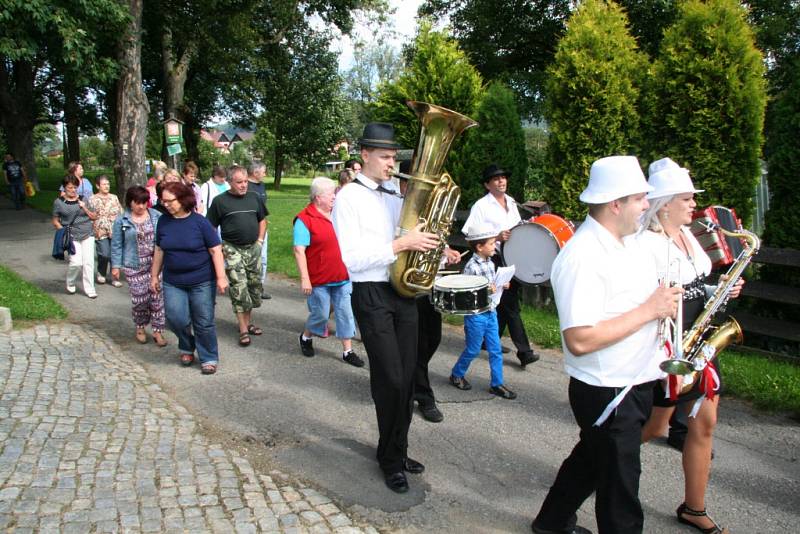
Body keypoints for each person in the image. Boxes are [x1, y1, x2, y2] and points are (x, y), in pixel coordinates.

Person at [531, 156, 682, 534]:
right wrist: (650, 310)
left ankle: (550, 523)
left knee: (591, 459)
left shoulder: (626, 243)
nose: (648, 205)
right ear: (616, 204)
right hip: (609, 389)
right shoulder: (582, 256)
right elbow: (580, 340)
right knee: (620, 494)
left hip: (631, 381)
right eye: (640, 199)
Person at [332, 123, 439, 494]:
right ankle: (389, 459)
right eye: (386, 157)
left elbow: (408, 241)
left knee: (407, 378)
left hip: (403, 292)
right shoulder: (348, 198)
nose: (392, 164)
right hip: (371, 294)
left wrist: (430, 245)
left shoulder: (396, 194)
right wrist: (400, 244)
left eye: (394, 157)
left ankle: (399, 449)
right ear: (364, 155)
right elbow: (352, 260)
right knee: (390, 380)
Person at [639, 158, 743, 534]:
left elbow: (700, 283)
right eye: (685, 198)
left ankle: (694, 507)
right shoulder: (647, 245)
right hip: (666, 349)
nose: (693, 205)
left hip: (698, 346)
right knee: (654, 427)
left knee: (705, 424)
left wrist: (722, 291)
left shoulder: (690, 238)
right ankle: (598, 464)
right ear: (664, 203)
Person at [395, 160, 460, 424]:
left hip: (428, 285)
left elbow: (435, 239)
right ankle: (423, 395)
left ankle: (409, 385)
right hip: (403, 286)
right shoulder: (395, 208)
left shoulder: (427, 210)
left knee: (432, 339)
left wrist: (446, 251)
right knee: (414, 345)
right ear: (403, 183)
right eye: (412, 182)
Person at [462, 163, 539, 367]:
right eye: (496, 179)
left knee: (503, 301)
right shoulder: (481, 206)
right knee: (511, 305)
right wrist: (496, 236)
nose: (501, 181)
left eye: (503, 177)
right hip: (493, 258)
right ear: (487, 185)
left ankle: (488, 340)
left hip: (513, 257)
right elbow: (469, 233)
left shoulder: (512, 202)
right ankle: (525, 352)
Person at [151, 182, 227, 375]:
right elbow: (159, 249)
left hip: (201, 280)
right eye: (163, 200)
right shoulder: (163, 222)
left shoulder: (200, 222)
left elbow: (215, 249)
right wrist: (154, 276)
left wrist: (221, 277)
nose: (165, 204)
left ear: (183, 199)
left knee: (203, 320)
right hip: (173, 281)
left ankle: (208, 356)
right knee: (176, 318)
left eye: (170, 201)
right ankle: (187, 344)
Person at [293, 177, 364, 368]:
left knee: (345, 313)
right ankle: (306, 336)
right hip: (318, 278)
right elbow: (299, 250)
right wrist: (305, 279)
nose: (335, 196)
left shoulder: (339, 214)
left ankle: (347, 351)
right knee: (321, 315)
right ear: (318, 197)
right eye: (331, 193)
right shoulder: (304, 219)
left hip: (342, 274)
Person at [449, 221, 517, 399]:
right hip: (476, 316)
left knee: (495, 350)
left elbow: (493, 282)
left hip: (491, 312)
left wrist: (502, 284)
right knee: (473, 349)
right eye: (491, 243)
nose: (495, 246)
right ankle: (456, 374)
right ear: (479, 246)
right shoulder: (471, 266)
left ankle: (497, 383)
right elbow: (465, 292)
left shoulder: (489, 262)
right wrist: (485, 290)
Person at [206, 166, 266, 347]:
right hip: (232, 249)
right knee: (239, 287)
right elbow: (210, 227)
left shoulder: (254, 198)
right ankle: (243, 330)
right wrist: (219, 248)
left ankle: (247, 322)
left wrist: (260, 241)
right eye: (239, 182)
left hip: (253, 248)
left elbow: (262, 220)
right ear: (229, 182)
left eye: (246, 181)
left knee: (253, 287)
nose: (243, 185)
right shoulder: (220, 201)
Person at [111, 186, 167, 346]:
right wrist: (115, 266)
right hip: (133, 265)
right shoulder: (121, 220)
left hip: (155, 263)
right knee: (140, 300)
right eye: (137, 203)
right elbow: (116, 244)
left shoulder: (156, 216)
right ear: (130, 203)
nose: (141, 206)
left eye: (144, 202)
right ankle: (140, 327)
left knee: (157, 299)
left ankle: (158, 331)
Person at [52, 175, 98, 298]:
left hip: (87, 232)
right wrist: (61, 230)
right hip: (72, 234)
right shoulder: (59, 203)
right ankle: (70, 281)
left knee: (89, 262)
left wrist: (84, 207)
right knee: (76, 263)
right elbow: (55, 220)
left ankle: (90, 288)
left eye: (75, 187)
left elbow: (94, 216)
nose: (73, 190)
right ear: (65, 188)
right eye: (70, 188)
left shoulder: (84, 199)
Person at [90, 175, 123, 287]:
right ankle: (101, 271)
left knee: (114, 254)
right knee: (104, 254)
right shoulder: (92, 199)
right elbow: (89, 215)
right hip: (100, 231)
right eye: (104, 184)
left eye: (108, 184)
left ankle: (115, 277)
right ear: (97, 186)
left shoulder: (114, 197)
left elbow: (120, 212)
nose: (107, 186)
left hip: (114, 230)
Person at [247, 162, 272, 300]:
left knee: (262, 258)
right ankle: (247, 287)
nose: (264, 174)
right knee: (250, 258)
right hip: (249, 228)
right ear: (255, 173)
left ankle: (259, 288)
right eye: (263, 171)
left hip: (262, 226)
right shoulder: (246, 186)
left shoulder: (261, 185)